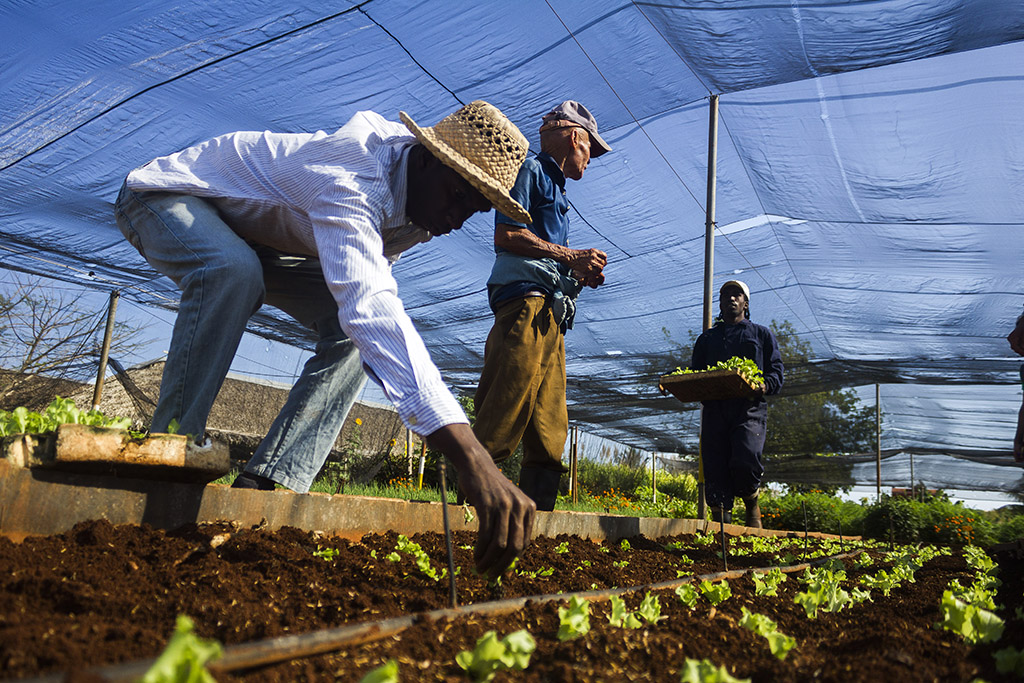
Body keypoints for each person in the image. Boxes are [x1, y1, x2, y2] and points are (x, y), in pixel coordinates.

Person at [113, 100, 536, 578]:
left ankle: (268, 487)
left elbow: (369, 318)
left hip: (263, 241)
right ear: (424, 158)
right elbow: (371, 306)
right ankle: (169, 454)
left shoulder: (419, 208)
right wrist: (471, 456)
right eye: (457, 196)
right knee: (233, 272)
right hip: (169, 197)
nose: (458, 218)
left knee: (354, 335)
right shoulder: (352, 178)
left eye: (474, 209)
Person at [471, 100, 611, 511]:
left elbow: (547, 254)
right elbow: (508, 237)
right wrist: (570, 257)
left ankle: (539, 519)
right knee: (505, 404)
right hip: (525, 306)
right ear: (574, 138)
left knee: (550, 423)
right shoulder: (530, 171)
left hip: (551, 311)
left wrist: (578, 275)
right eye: (591, 151)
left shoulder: (557, 189)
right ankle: (469, 512)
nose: (590, 160)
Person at [691, 280, 784, 527]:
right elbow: (694, 373)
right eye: (726, 295)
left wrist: (763, 385)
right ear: (720, 304)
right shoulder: (707, 339)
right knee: (715, 463)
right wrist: (674, 382)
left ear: (746, 303)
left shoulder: (761, 334)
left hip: (748, 409)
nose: (731, 299)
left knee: (746, 457)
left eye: (737, 294)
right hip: (715, 410)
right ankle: (721, 527)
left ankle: (751, 500)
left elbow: (776, 372)